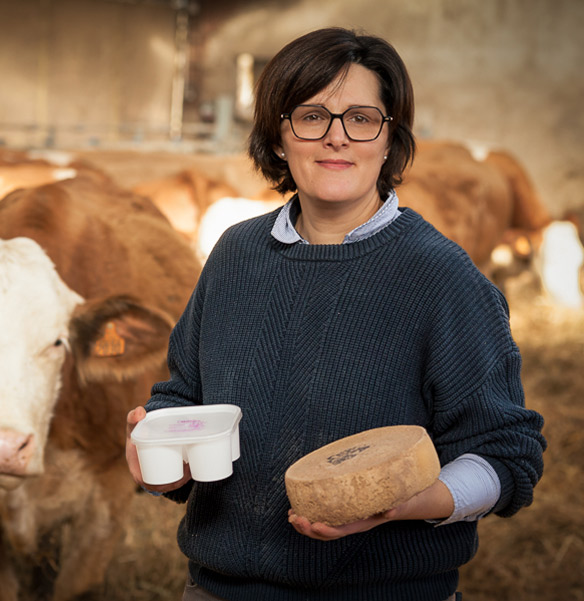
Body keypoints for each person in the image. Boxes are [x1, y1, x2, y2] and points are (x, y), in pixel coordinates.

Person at [125, 27, 546, 601]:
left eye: (362, 118)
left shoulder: (441, 277)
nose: (336, 139)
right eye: (311, 116)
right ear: (278, 136)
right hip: (219, 590)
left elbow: (505, 456)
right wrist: (161, 450)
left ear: (389, 137)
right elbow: (186, 396)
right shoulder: (235, 255)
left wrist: (402, 505)